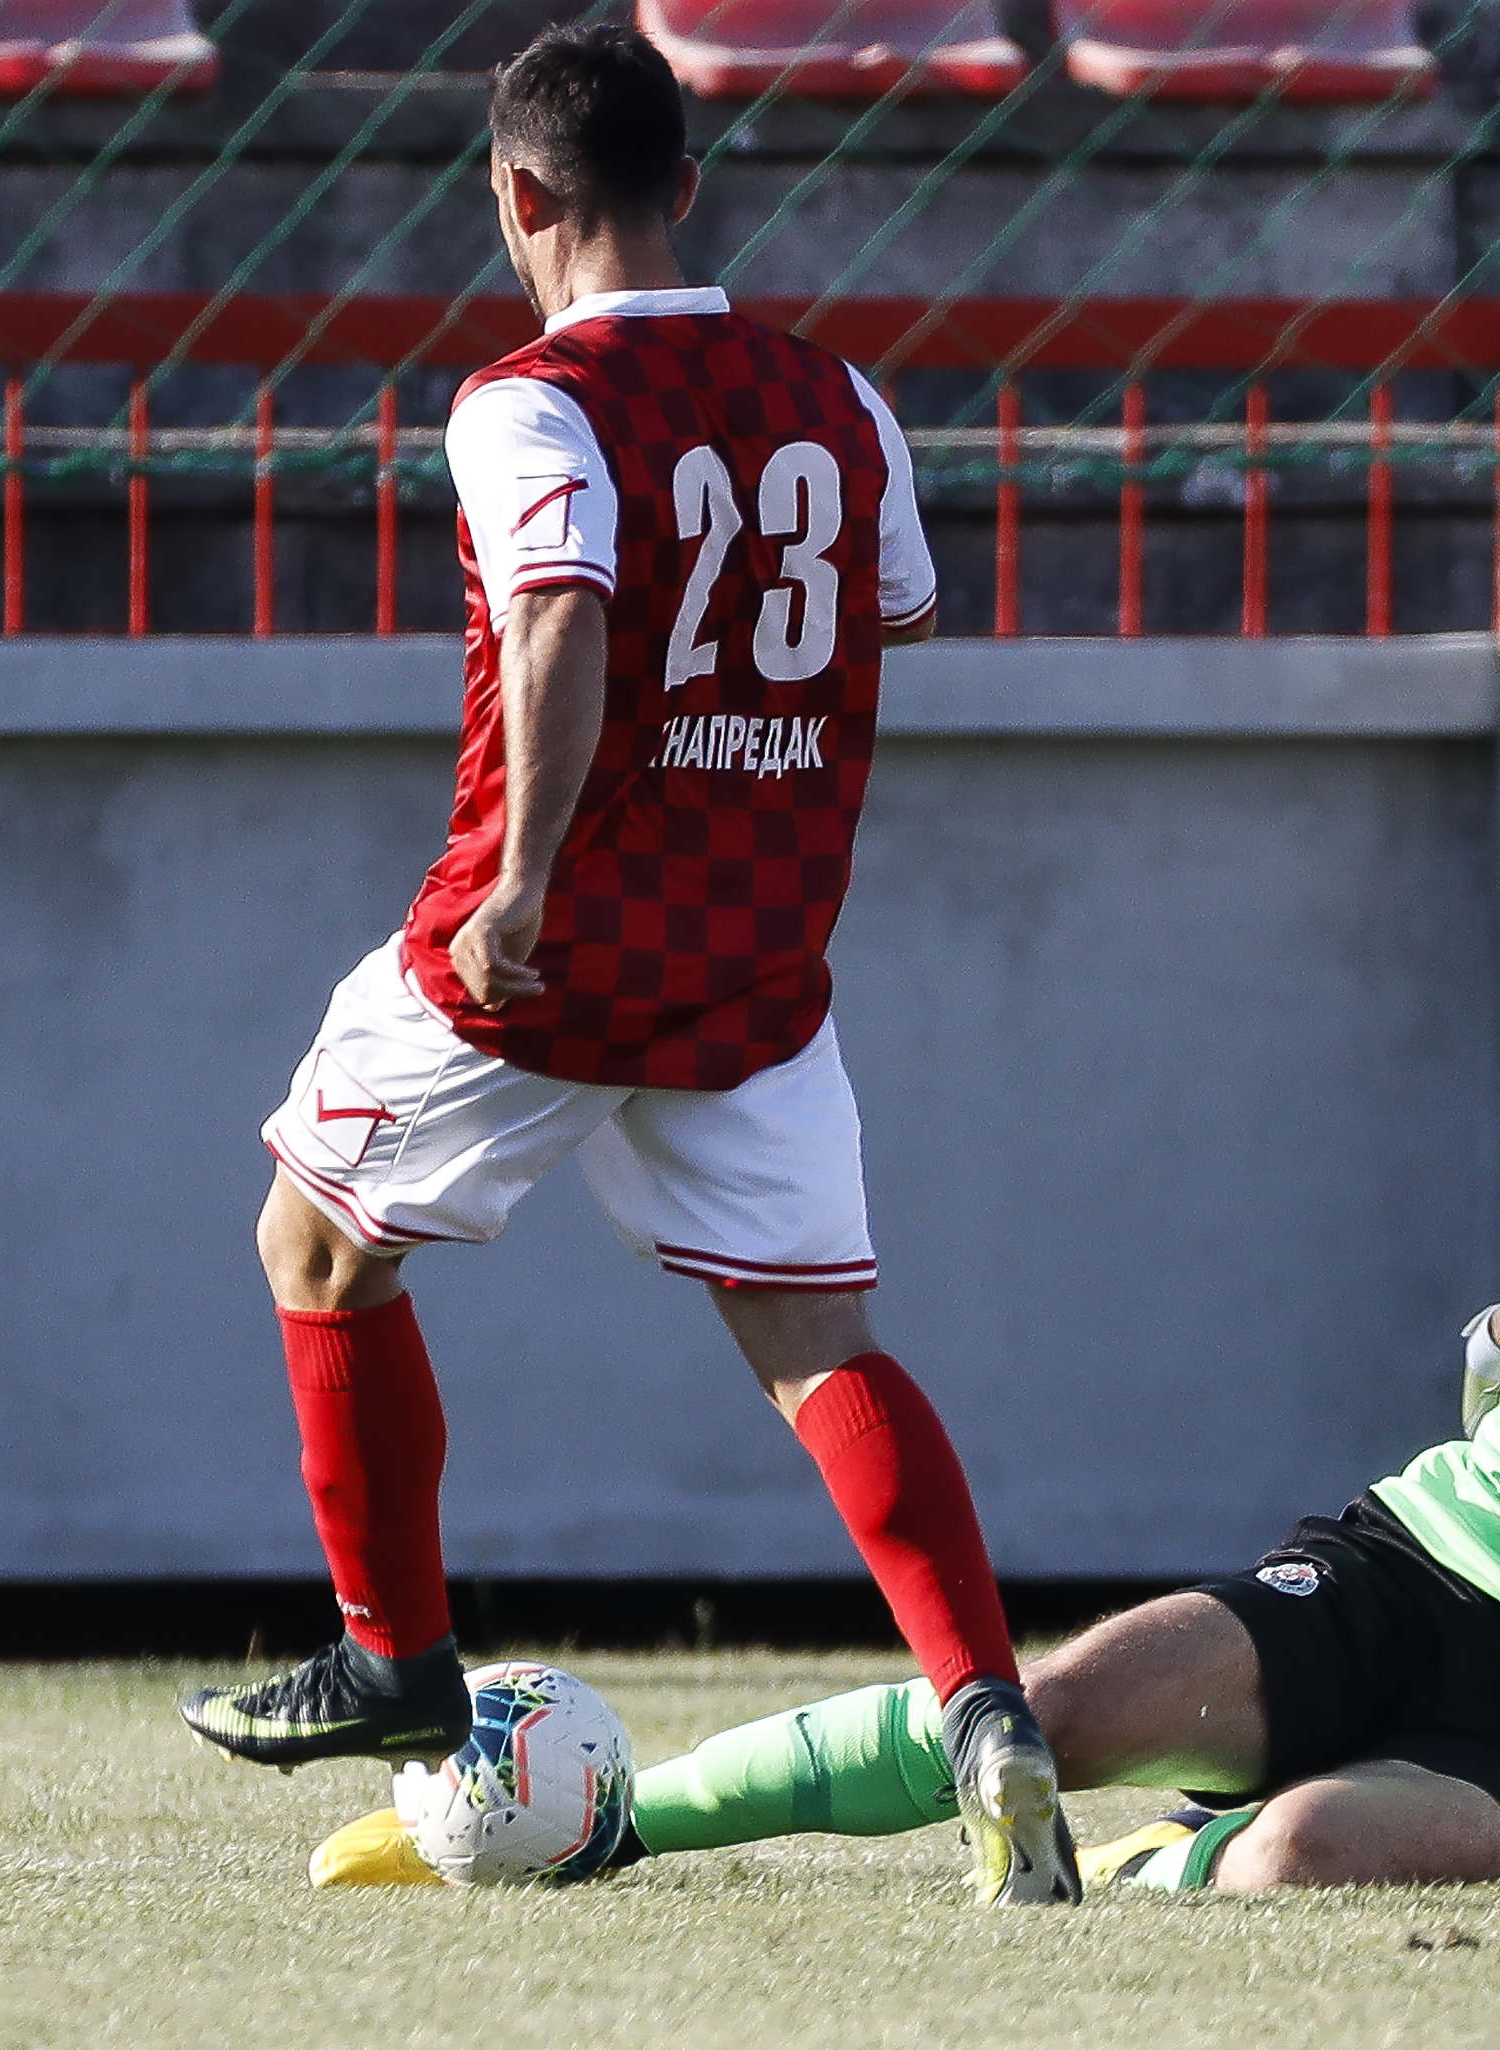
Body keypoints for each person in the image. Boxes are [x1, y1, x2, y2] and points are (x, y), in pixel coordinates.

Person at [317, 878, 1500, 1896]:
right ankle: (603, 1824)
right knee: (1047, 1713)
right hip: (1416, 1563)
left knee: (1296, 1861)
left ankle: (1166, 1860)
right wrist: (1492, 1354)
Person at [177, 25, 1079, 1907]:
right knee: (821, 1352)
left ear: (518, 196)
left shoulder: (527, 402)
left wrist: (521, 881)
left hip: (548, 951)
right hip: (755, 964)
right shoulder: (842, 397)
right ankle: (985, 1703)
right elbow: (896, 616)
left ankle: (393, 1651)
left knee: (314, 1240)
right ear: (687, 182)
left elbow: (561, 612)